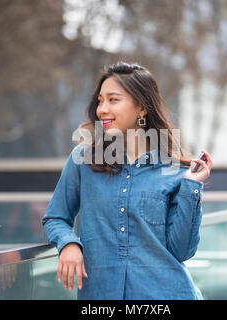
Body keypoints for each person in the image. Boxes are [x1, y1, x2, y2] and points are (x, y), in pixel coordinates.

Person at [41, 61, 213, 300]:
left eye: (113, 100)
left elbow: (181, 251)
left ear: (141, 107)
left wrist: (191, 187)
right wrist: (68, 243)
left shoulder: (173, 170)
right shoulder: (83, 159)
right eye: (100, 101)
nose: (102, 109)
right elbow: (55, 217)